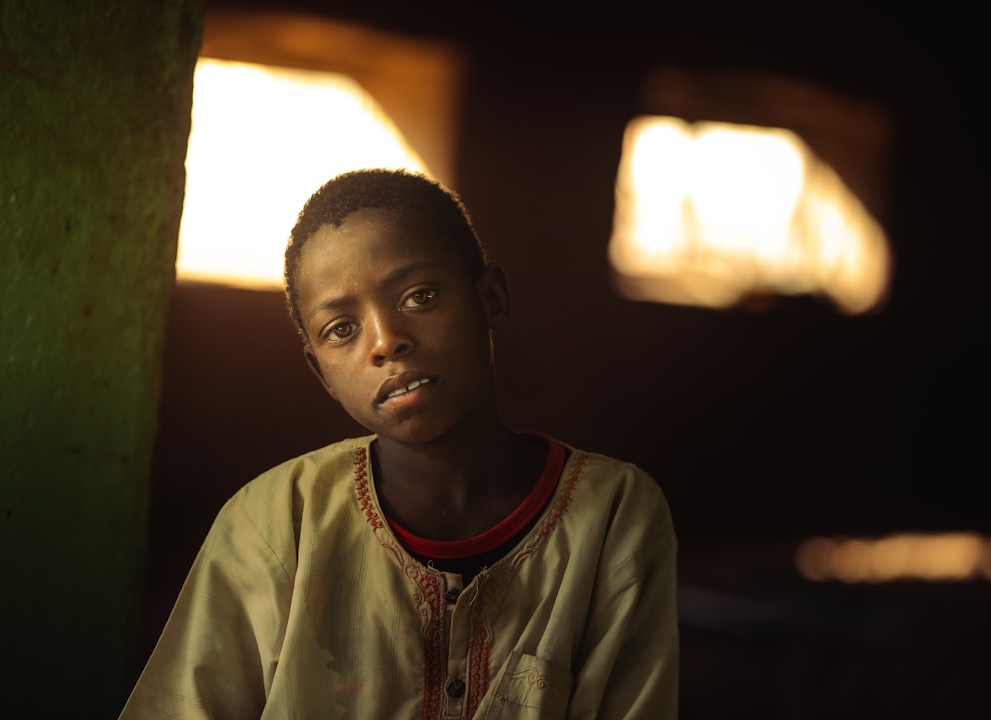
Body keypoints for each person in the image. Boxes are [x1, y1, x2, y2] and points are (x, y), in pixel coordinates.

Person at [119, 168, 679, 719]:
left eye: (420, 296)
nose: (388, 342)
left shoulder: (613, 513)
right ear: (322, 374)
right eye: (341, 328)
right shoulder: (273, 521)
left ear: (491, 299)